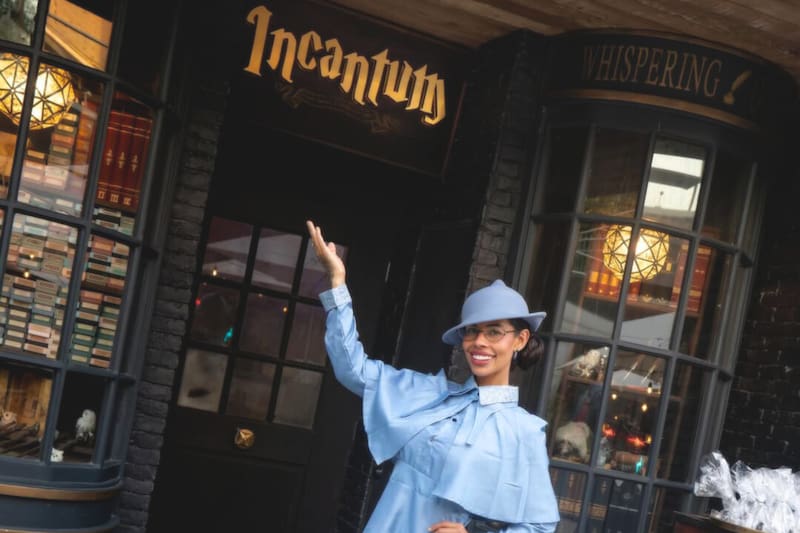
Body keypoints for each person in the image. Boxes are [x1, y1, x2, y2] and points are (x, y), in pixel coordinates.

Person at [307, 220, 560, 533]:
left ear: (520, 340)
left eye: (494, 332)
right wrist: (337, 282)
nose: (479, 342)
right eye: (472, 331)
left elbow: (540, 525)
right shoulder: (427, 393)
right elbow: (353, 369)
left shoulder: (524, 432)